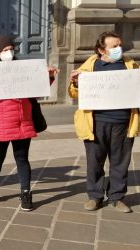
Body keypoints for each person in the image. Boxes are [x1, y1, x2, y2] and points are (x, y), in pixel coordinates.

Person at [0, 34, 56, 211]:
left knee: (22, 159)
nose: (9, 52)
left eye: (11, 49)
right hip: (0, 123)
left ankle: (26, 193)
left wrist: (49, 77)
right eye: (5, 50)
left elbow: (36, 92)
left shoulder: (23, 68)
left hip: (22, 121)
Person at [69, 31, 138, 213]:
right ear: (101, 49)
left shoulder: (131, 66)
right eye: (114, 46)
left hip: (123, 123)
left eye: (120, 45)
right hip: (96, 123)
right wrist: (75, 83)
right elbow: (74, 94)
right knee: (94, 162)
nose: (119, 49)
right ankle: (95, 197)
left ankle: (117, 197)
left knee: (120, 162)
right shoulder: (90, 66)